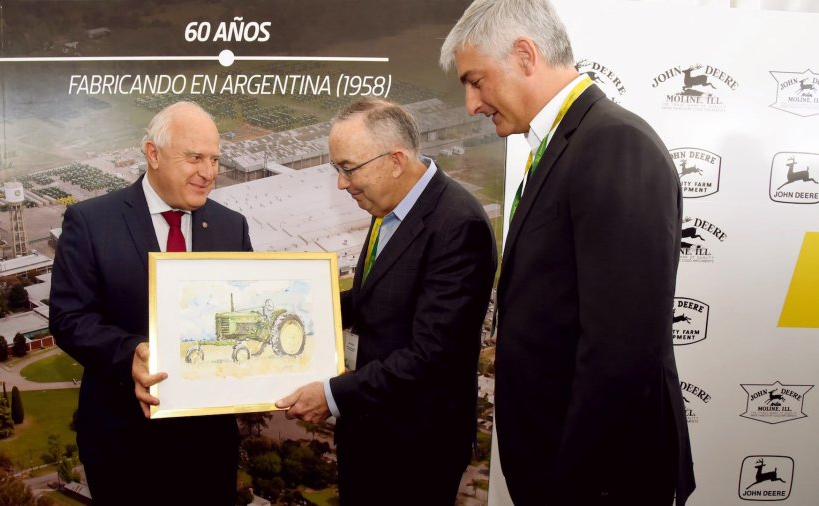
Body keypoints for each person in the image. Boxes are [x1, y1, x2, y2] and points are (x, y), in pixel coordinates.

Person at [440, 1, 696, 505]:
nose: (472, 104)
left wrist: (572, 485)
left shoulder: (613, 144)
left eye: (476, 80)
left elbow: (622, 352)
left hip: (595, 478)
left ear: (525, 55)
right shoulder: (563, 143)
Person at [276, 97, 497, 505]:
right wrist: (292, 310)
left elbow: (431, 355)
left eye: (348, 168)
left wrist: (331, 395)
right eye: (336, 169)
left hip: (415, 448)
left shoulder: (457, 225)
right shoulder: (388, 206)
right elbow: (372, 298)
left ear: (395, 160)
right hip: (369, 432)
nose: (342, 183)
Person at [50, 101, 251, 504]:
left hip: (208, 446)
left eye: (214, 159)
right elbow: (70, 318)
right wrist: (131, 353)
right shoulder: (91, 222)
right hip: (123, 444)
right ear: (153, 154)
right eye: (194, 157)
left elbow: (240, 311)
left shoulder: (232, 225)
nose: (208, 173)